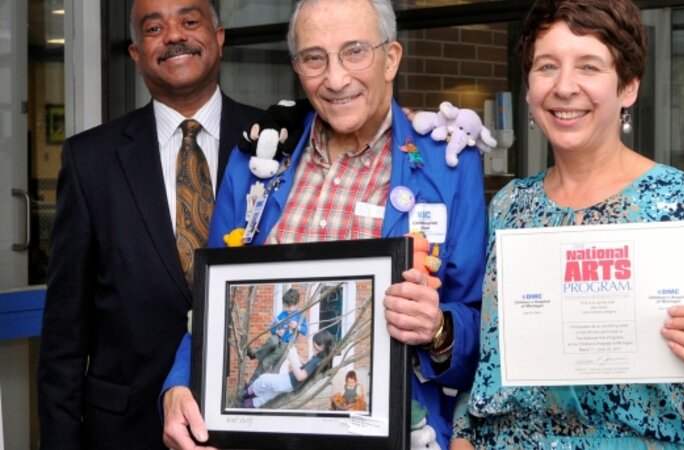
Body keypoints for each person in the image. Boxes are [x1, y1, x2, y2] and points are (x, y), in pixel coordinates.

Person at [450, 1, 684, 449]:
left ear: (628, 86)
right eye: (547, 66)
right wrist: (464, 434)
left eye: (589, 66)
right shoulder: (510, 207)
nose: (564, 87)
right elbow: (491, 365)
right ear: (529, 87)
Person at [161, 0, 487, 449]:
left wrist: (438, 330)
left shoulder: (447, 164)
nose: (335, 79)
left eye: (355, 52)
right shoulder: (256, 160)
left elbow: (480, 326)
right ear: (297, 67)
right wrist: (179, 385)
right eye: (314, 58)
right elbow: (212, 301)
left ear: (391, 58)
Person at [36, 1, 262, 449]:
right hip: (124, 431)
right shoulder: (90, 161)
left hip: (250, 425)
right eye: (154, 27)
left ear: (219, 38)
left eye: (190, 21)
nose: (174, 35)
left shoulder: (276, 141)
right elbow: (64, 335)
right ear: (137, 54)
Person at [241, 330, 334, 408]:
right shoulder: (320, 360)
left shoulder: (316, 360)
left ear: (323, 347)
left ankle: (246, 393)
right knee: (269, 394)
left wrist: (292, 359)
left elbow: (300, 376)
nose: (313, 347)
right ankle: (248, 405)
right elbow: (307, 369)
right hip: (291, 385)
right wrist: (298, 358)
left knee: (264, 379)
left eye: (316, 346)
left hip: (289, 381)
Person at [246, 287, 308, 382]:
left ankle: (251, 382)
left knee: (267, 361)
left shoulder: (300, 316)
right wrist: (277, 331)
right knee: (272, 341)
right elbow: (273, 327)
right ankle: (255, 354)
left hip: (286, 343)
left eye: (290, 306)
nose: (288, 309)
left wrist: (297, 326)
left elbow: (305, 331)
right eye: (286, 306)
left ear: (296, 304)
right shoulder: (283, 314)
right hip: (278, 337)